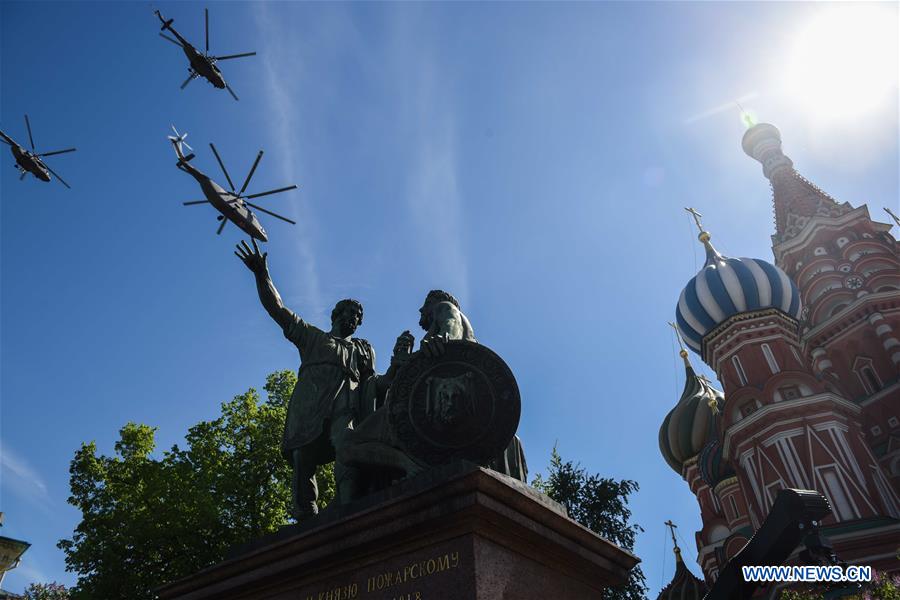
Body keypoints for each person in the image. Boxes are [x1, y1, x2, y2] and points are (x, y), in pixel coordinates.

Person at [235, 239, 377, 518]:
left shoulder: (361, 349)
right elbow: (277, 308)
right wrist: (261, 274)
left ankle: (350, 504)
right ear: (335, 315)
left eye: (358, 316)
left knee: (346, 443)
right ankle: (306, 512)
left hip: (345, 407)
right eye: (349, 313)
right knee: (303, 458)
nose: (353, 319)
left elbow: (372, 383)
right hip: (309, 406)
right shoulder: (312, 337)